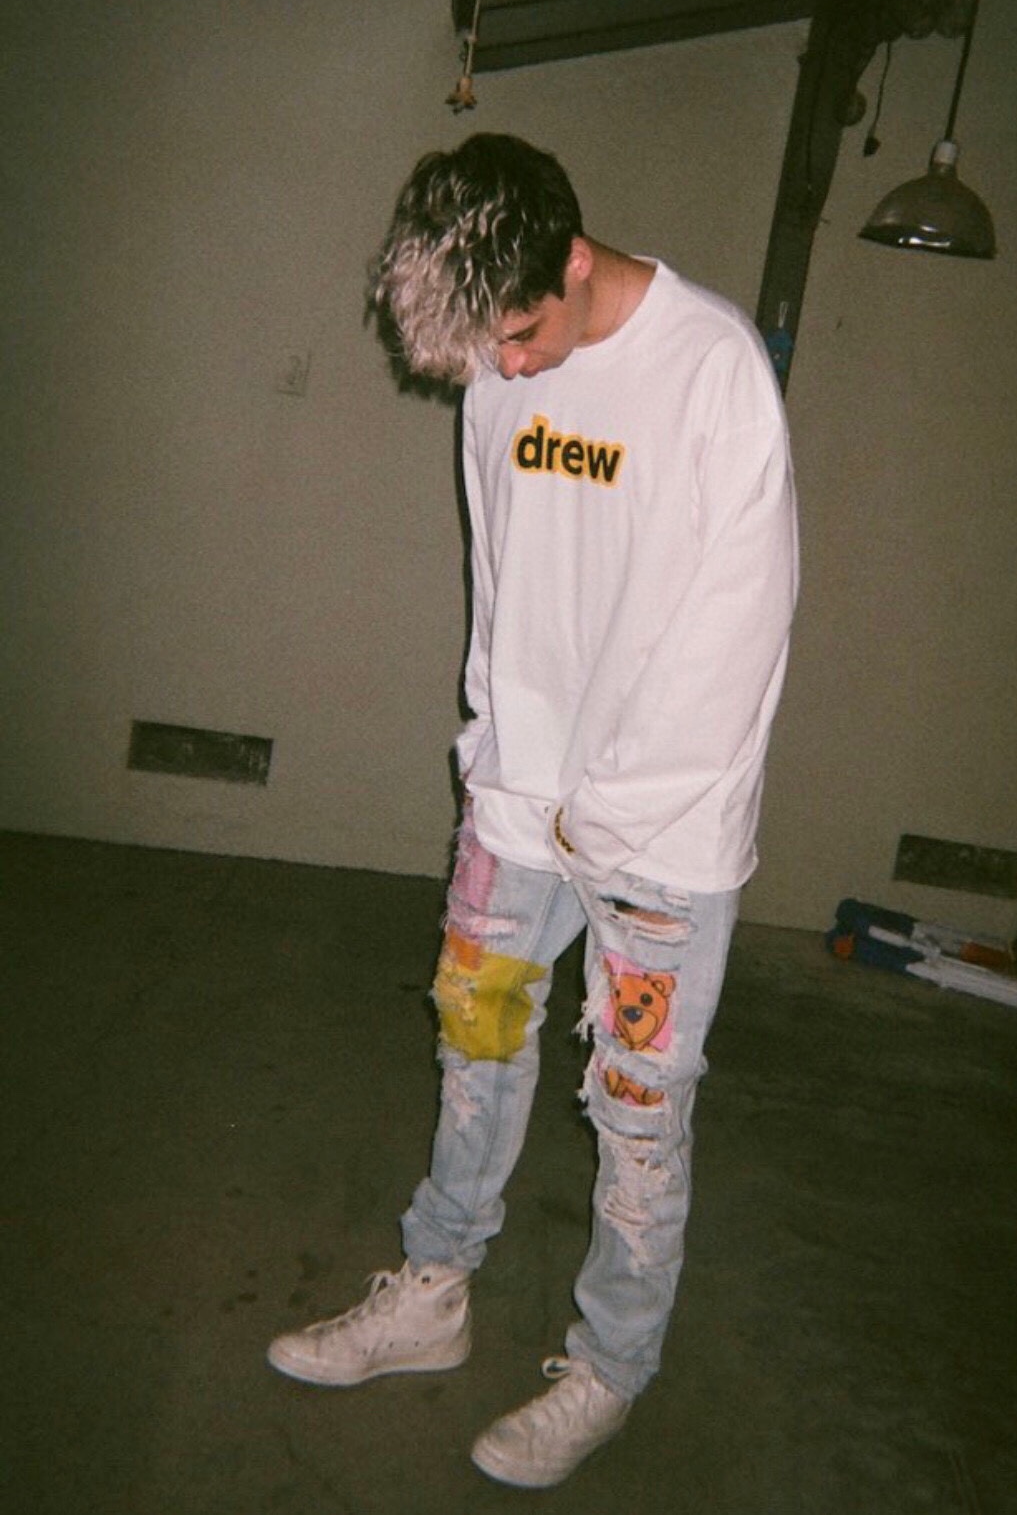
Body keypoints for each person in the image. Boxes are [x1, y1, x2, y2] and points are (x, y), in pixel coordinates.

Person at [266, 132, 798, 1488]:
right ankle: (434, 1289)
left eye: (518, 335)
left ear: (572, 261)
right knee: (476, 1041)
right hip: (517, 800)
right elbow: (498, 582)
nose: (504, 370)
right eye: (485, 352)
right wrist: (494, 752)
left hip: (661, 832)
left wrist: (611, 811)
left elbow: (739, 633)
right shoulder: (496, 372)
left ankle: (611, 1364)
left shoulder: (712, 370)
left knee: (636, 1110)